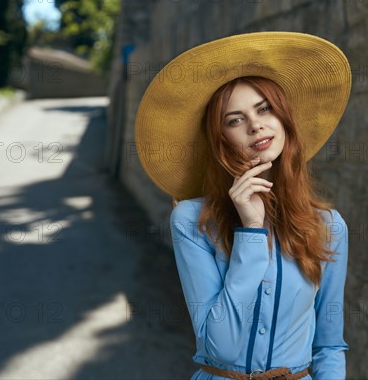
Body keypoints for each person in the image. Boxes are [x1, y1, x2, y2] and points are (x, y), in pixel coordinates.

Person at [134, 32, 352, 380]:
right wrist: (251, 231)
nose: (255, 125)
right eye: (235, 120)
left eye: (264, 109)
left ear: (283, 119)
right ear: (220, 141)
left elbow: (329, 345)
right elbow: (220, 345)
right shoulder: (191, 220)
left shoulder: (328, 226)